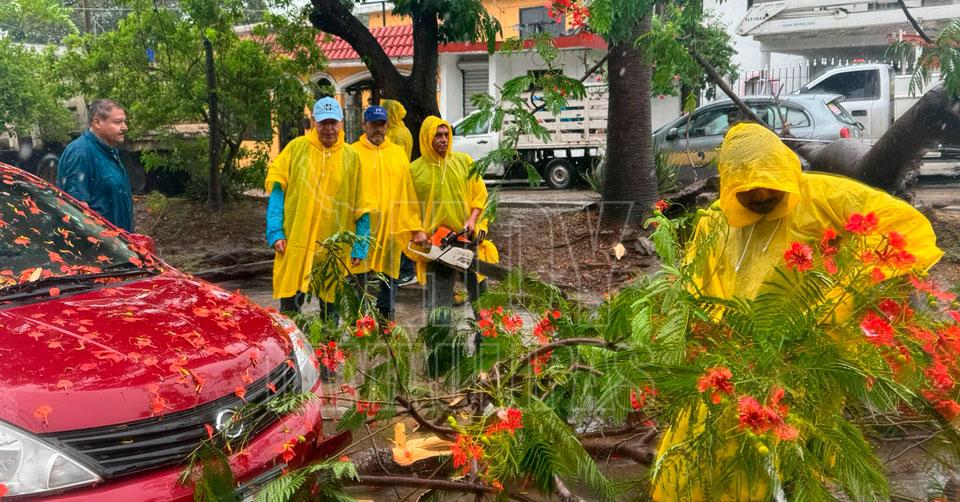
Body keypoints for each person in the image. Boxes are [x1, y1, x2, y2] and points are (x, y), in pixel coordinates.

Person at [651, 122, 943, 500]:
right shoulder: (718, 221)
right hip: (735, 356)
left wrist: (842, 292)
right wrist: (699, 334)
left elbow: (902, 225)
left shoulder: (822, 196)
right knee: (704, 438)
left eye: (768, 185)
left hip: (804, 353)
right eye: (747, 189)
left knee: (783, 450)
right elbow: (695, 283)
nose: (760, 196)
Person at [264, 97, 373, 315]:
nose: (329, 129)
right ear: (314, 122)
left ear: (341, 123)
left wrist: (360, 244)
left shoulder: (352, 157)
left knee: (331, 309)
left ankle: (329, 339)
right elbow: (277, 192)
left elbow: (362, 204)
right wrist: (275, 232)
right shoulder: (296, 149)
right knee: (290, 308)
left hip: (333, 245)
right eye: (324, 122)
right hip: (296, 240)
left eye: (333, 122)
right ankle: (292, 338)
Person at [407, 116, 498, 323]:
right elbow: (406, 207)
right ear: (427, 137)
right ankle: (441, 342)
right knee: (440, 306)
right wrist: (417, 232)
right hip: (436, 247)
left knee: (482, 300)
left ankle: (487, 340)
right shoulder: (414, 170)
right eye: (438, 135)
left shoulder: (464, 162)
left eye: (446, 134)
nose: (443, 139)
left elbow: (479, 195)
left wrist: (473, 220)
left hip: (466, 241)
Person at [350, 105, 428, 319]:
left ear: (387, 126)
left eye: (382, 124)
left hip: (392, 231)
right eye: (373, 124)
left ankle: (386, 327)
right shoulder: (353, 153)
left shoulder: (397, 154)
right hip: (362, 231)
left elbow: (408, 192)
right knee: (358, 285)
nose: (378, 129)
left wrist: (414, 227)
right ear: (364, 125)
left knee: (389, 284)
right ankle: (359, 328)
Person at [57, 99, 134, 232]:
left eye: (124, 122)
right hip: (101, 242)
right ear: (97, 122)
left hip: (119, 240)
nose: (124, 127)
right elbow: (77, 215)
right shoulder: (81, 153)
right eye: (118, 122)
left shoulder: (108, 150)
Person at [382, 99, 418, 286]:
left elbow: (393, 162)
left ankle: (405, 270)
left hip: (395, 187)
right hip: (400, 185)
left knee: (399, 230)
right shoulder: (404, 130)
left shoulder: (395, 135)